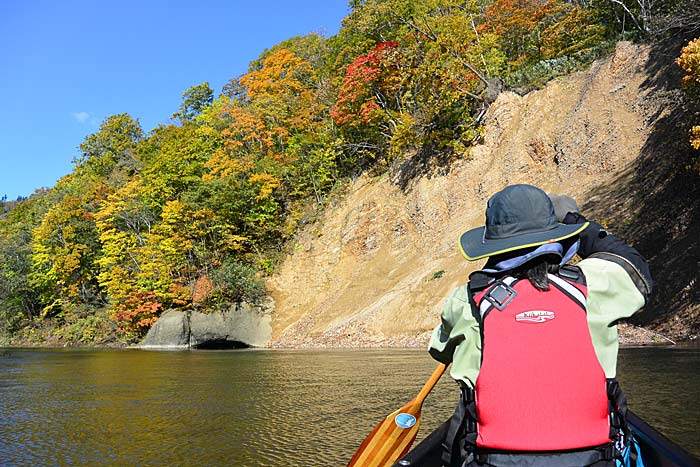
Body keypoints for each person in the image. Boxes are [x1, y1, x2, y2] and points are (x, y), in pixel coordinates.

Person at [429, 184, 652, 467]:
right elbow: (633, 265)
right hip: (593, 460)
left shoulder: (466, 300)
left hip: (492, 461)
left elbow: (439, 350)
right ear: (554, 235)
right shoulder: (594, 285)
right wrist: (575, 222)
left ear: (493, 242)